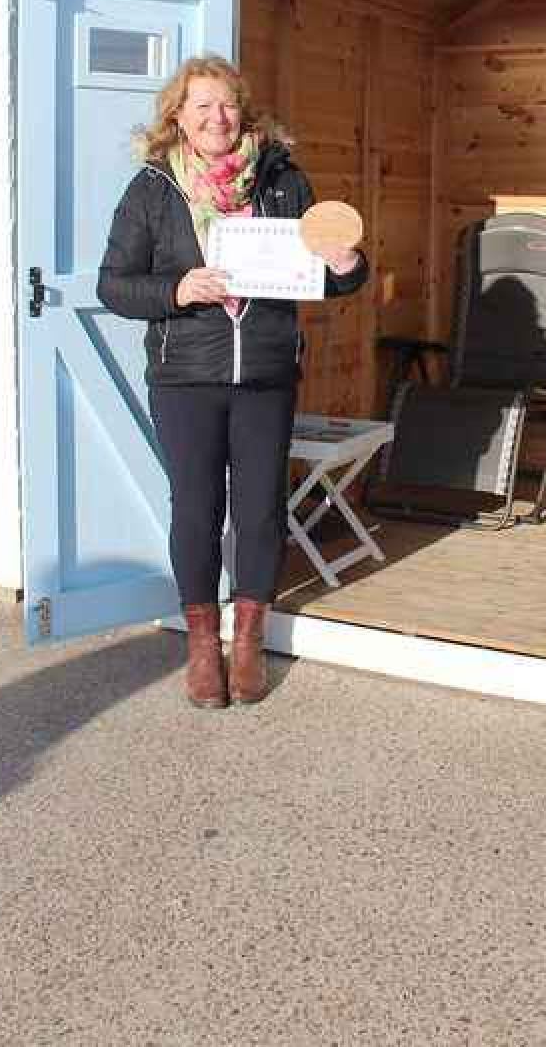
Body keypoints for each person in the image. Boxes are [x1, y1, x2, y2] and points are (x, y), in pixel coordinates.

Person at [97, 54, 367, 709]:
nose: (218, 118)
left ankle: (247, 640)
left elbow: (333, 275)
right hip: (186, 375)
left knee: (260, 509)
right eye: (202, 106)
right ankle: (200, 645)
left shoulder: (282, 181)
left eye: (228, 105)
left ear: (242, 111)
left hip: (267, 372)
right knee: (196, 508)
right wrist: (177, 287)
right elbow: (114, 284)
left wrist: (346, 261)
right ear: (178, 118)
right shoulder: (152, 189)